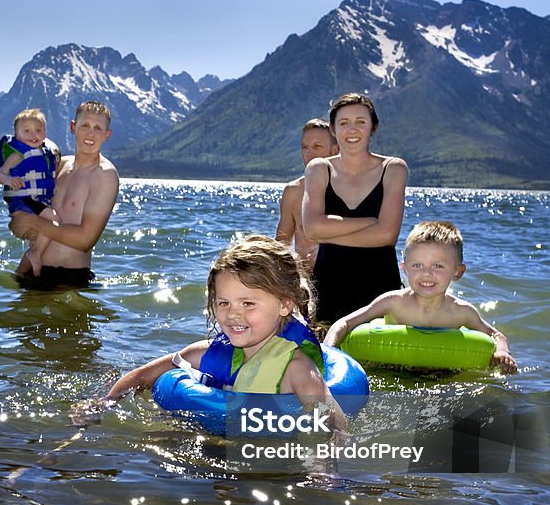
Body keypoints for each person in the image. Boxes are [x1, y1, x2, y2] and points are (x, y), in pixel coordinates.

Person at [104, 235, 346, 429]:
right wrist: (103, 405)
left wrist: (321, 471)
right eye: (223, 303)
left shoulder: (297, 369)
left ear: (284, 304)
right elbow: (141, 376)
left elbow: (335, 429)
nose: (232, 315)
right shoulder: (208, 354)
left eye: (248, 303)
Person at [323, 221, 517, 373]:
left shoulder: (461, 312)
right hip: (392, 367)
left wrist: (502, 351)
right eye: (417, 265)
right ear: (405, 269)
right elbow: (345, 324)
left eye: (438, 266)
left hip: (441, 373)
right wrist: (327, 353)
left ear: (458, 272)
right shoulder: (393, 302)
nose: (426, 274)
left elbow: (496, 335)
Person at [302, 93, 408, 324]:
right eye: (343, 123)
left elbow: (387, 235)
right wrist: (370, 223)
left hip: (380, 288)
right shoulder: (318, 168)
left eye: (360, 122)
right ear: (332, 129)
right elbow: (312, 229)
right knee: (326, 355)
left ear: (373, 127)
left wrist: (329, 234)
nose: (352, 129)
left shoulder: (393, 168)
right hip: (328, 287)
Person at [10, 101, 119, 290]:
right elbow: (31, 208)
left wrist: (32, 223)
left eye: (97, 128)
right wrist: (19, 222)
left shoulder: (105, 175)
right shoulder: (58, 165)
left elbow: (85, 240)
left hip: (69, 280)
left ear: (107, 135)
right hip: (31, 271)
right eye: (84, 125)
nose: (90, 133)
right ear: (73, 127)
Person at [0, 108, 61, 277]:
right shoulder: (19, 154)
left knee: (46, 229)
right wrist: (9, 180)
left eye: (38, 130)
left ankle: (28, 263)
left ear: (45, 133)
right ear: (17, 135)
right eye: (27, 131)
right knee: (55, 221)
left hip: (36, 201)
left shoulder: (46, 154)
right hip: (24, 201)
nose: (33, 135)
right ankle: (36, 254)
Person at [276, 118, 338, 266]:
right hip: (306, 281)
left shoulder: (352, 191)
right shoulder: (294, 191)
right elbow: (280, 247)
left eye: (317, 146)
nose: (309, 153)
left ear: (335, 150)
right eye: (305, 147)